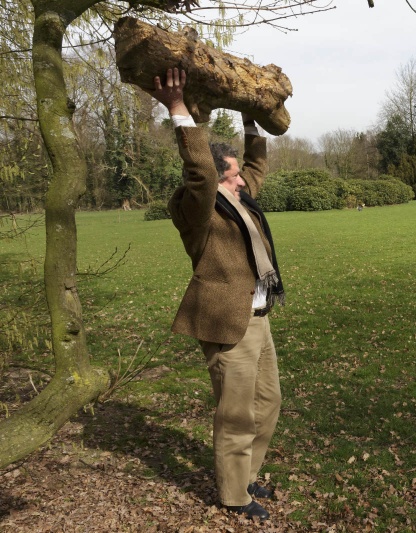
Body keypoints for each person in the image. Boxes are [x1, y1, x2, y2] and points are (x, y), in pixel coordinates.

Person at [148, 68, 285, 521]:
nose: (242, 180)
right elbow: (203, 173)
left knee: (268, 403)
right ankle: (233, 495)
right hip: (227, 322)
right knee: (236, 414)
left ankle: (247, 474)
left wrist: (251, 117)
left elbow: (256, 165)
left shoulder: (240, 199)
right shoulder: (197, 210)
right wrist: (178, 110)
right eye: (232, 176)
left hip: (258, 316)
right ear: (213, 179)